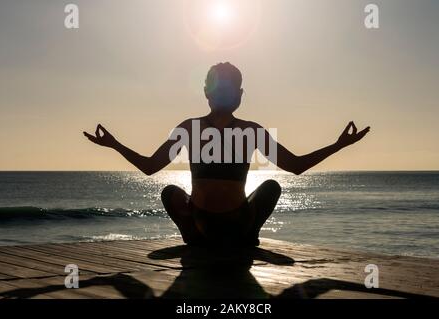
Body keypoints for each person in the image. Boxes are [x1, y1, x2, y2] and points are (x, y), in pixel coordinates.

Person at [84, 62, 370, 247]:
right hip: (230, 223)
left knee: (174, 191)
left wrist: (115, 144)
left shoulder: (201, 128)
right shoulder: (231, 129)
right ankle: (232, 234)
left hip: (213, 221)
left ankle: (199, 232)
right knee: (266, 187)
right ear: (218, 94)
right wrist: (339, 145)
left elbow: (149, 167)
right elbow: (295, 166)